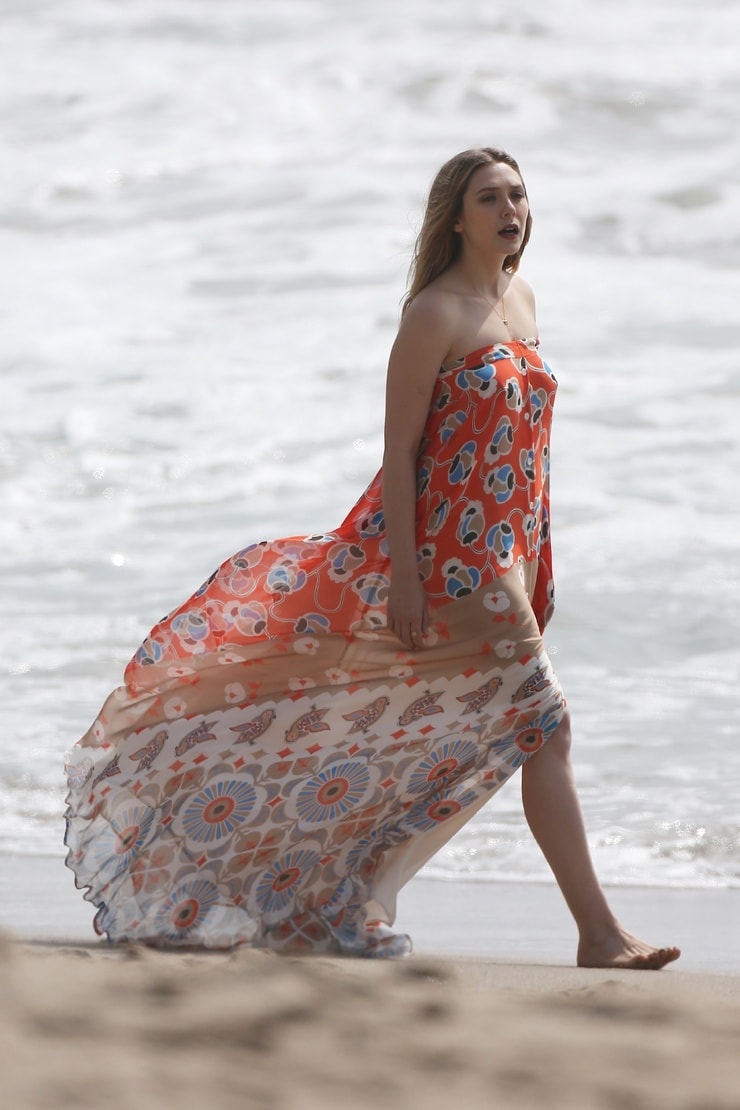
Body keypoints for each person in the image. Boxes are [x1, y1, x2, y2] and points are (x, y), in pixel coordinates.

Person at [65, 147, 680, 968]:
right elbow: (402, 452)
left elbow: (528, 454)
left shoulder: (522, 298)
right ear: (456, 218)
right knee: (546, 726)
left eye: (519, 196)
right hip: (448, 561)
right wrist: (409, 580)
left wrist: (543, 561)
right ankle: (598, 934)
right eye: (491, 198)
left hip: (508, 559)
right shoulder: (433, 313)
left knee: (462, 732)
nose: (511, 211)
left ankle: (334, 888)